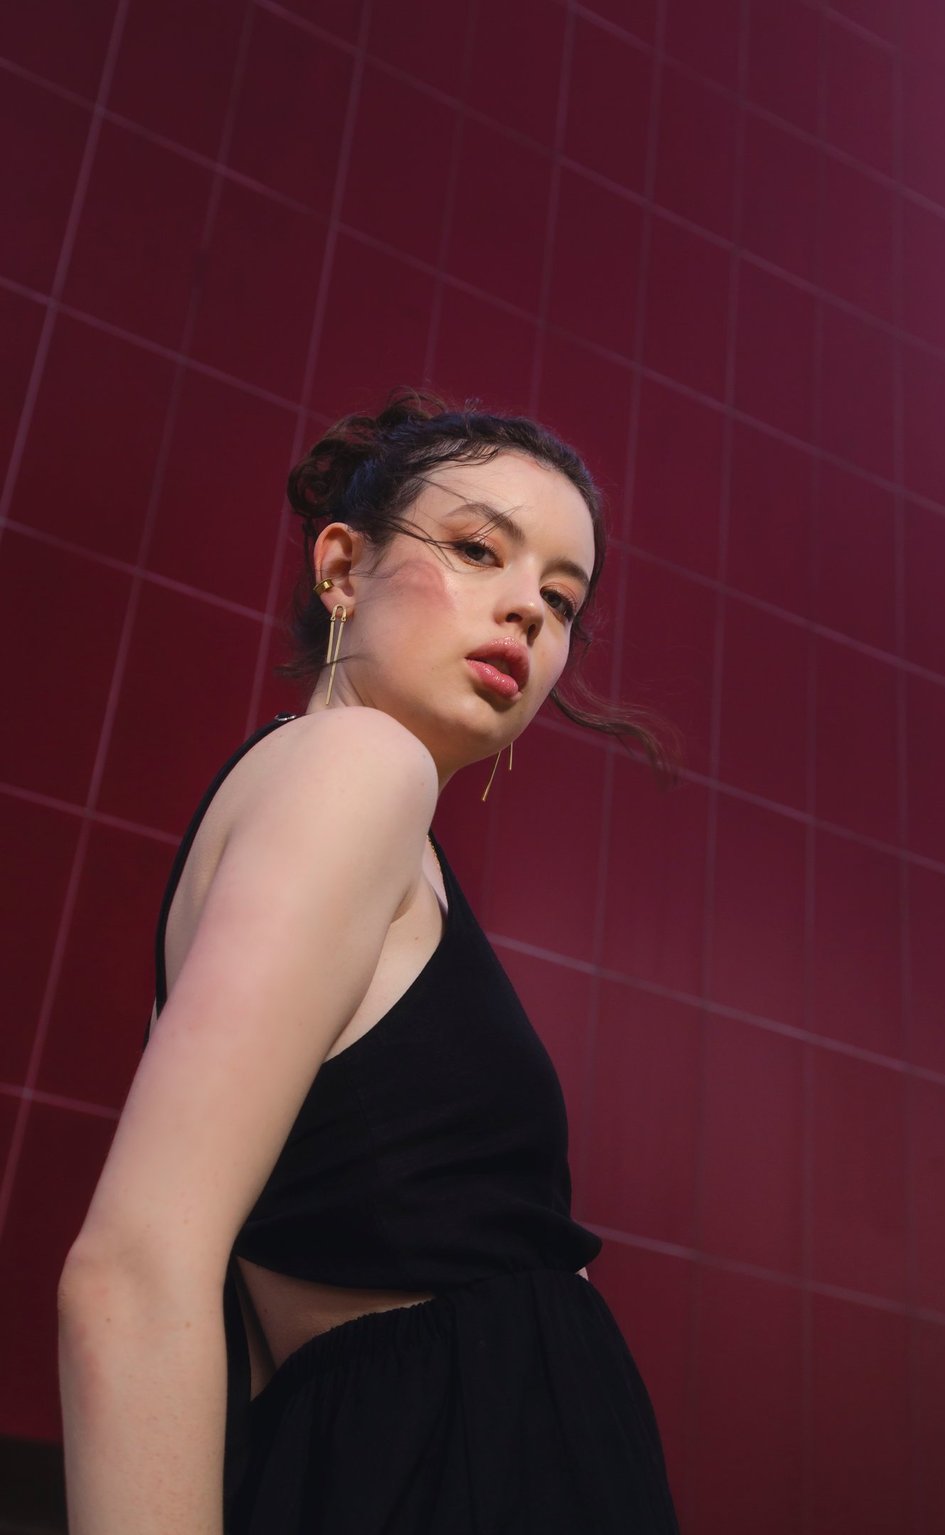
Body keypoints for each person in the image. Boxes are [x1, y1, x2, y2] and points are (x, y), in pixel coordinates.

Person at [57, 388, 682, 1534]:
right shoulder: (358, 764)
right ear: (341, 567)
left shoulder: (330, 802)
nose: (528, 609)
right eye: (478, 548)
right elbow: (133, 1269)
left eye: (560, 598)